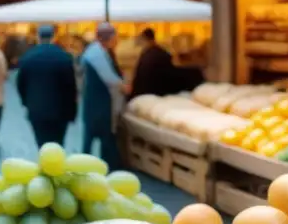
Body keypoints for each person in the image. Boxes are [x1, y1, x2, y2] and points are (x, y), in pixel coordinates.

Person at [16, 24, 78, 147]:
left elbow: (20, 83)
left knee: (42, 144)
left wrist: (26, 102)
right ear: (53, 36)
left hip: (37, 109)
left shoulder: (28, 57)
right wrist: (72, 111)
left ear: (38, 36)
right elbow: (71, 87)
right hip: (60, 110)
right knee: (58, 144)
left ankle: (44, 164)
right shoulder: (64, 57)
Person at [80, 22, 125, 170]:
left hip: (94, 101)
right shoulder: (96, 53)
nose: (116, 40)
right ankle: (107, 166)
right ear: (109, 37)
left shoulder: (97, 51)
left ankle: (90, 165)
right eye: (114, 37)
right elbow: (109, 77)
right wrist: (123, 85)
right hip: (98, 102)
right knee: (102, 135)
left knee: (92, 136)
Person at [130, 28, 177, 99]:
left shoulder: (148, 55)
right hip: (161, 93)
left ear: (145, 39)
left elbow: (141, 78)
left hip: (148, 94)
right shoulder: (162, 52)